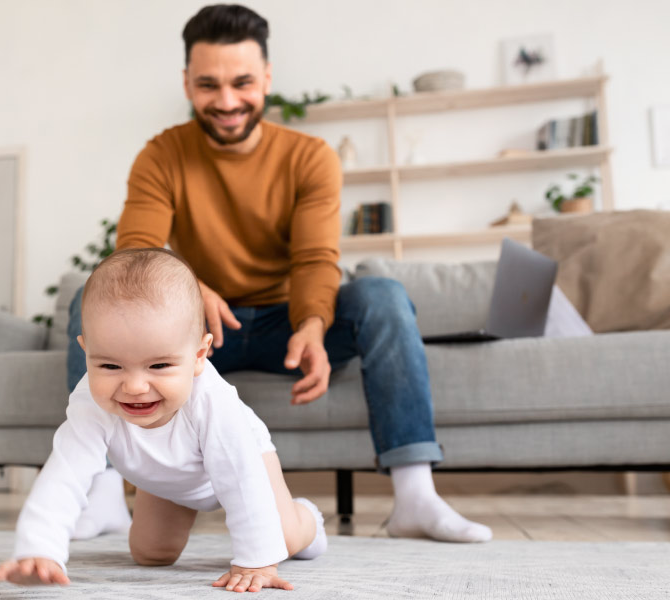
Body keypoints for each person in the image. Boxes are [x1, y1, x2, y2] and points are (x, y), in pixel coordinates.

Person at [66, 4, 491, 544]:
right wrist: (192, 290)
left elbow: (315, 260)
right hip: (200, 332)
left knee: (382, 295)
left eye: (242, 83)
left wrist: (313, 326)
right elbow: (136, 249)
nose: (227, 101)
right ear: (187, 83)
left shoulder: (310, 157)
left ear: (266, 78)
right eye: (208, 85)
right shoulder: (161, 155)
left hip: (283, 326)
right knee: (91, 297)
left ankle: (415, 497)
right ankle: (102, 494)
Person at [0, 248, 326, 592]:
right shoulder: (90, 402)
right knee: (151, 553)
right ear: (86, 350)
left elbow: (241, 477)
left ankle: (308, 520)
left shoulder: (212, 401)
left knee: (282, 538)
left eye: (159, 366)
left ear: (199, 355)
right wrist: (40, 551)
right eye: (110, 366)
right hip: (165, 477)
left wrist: (256, 561)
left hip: (243, 462)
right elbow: (65, 473)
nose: (134, 387)